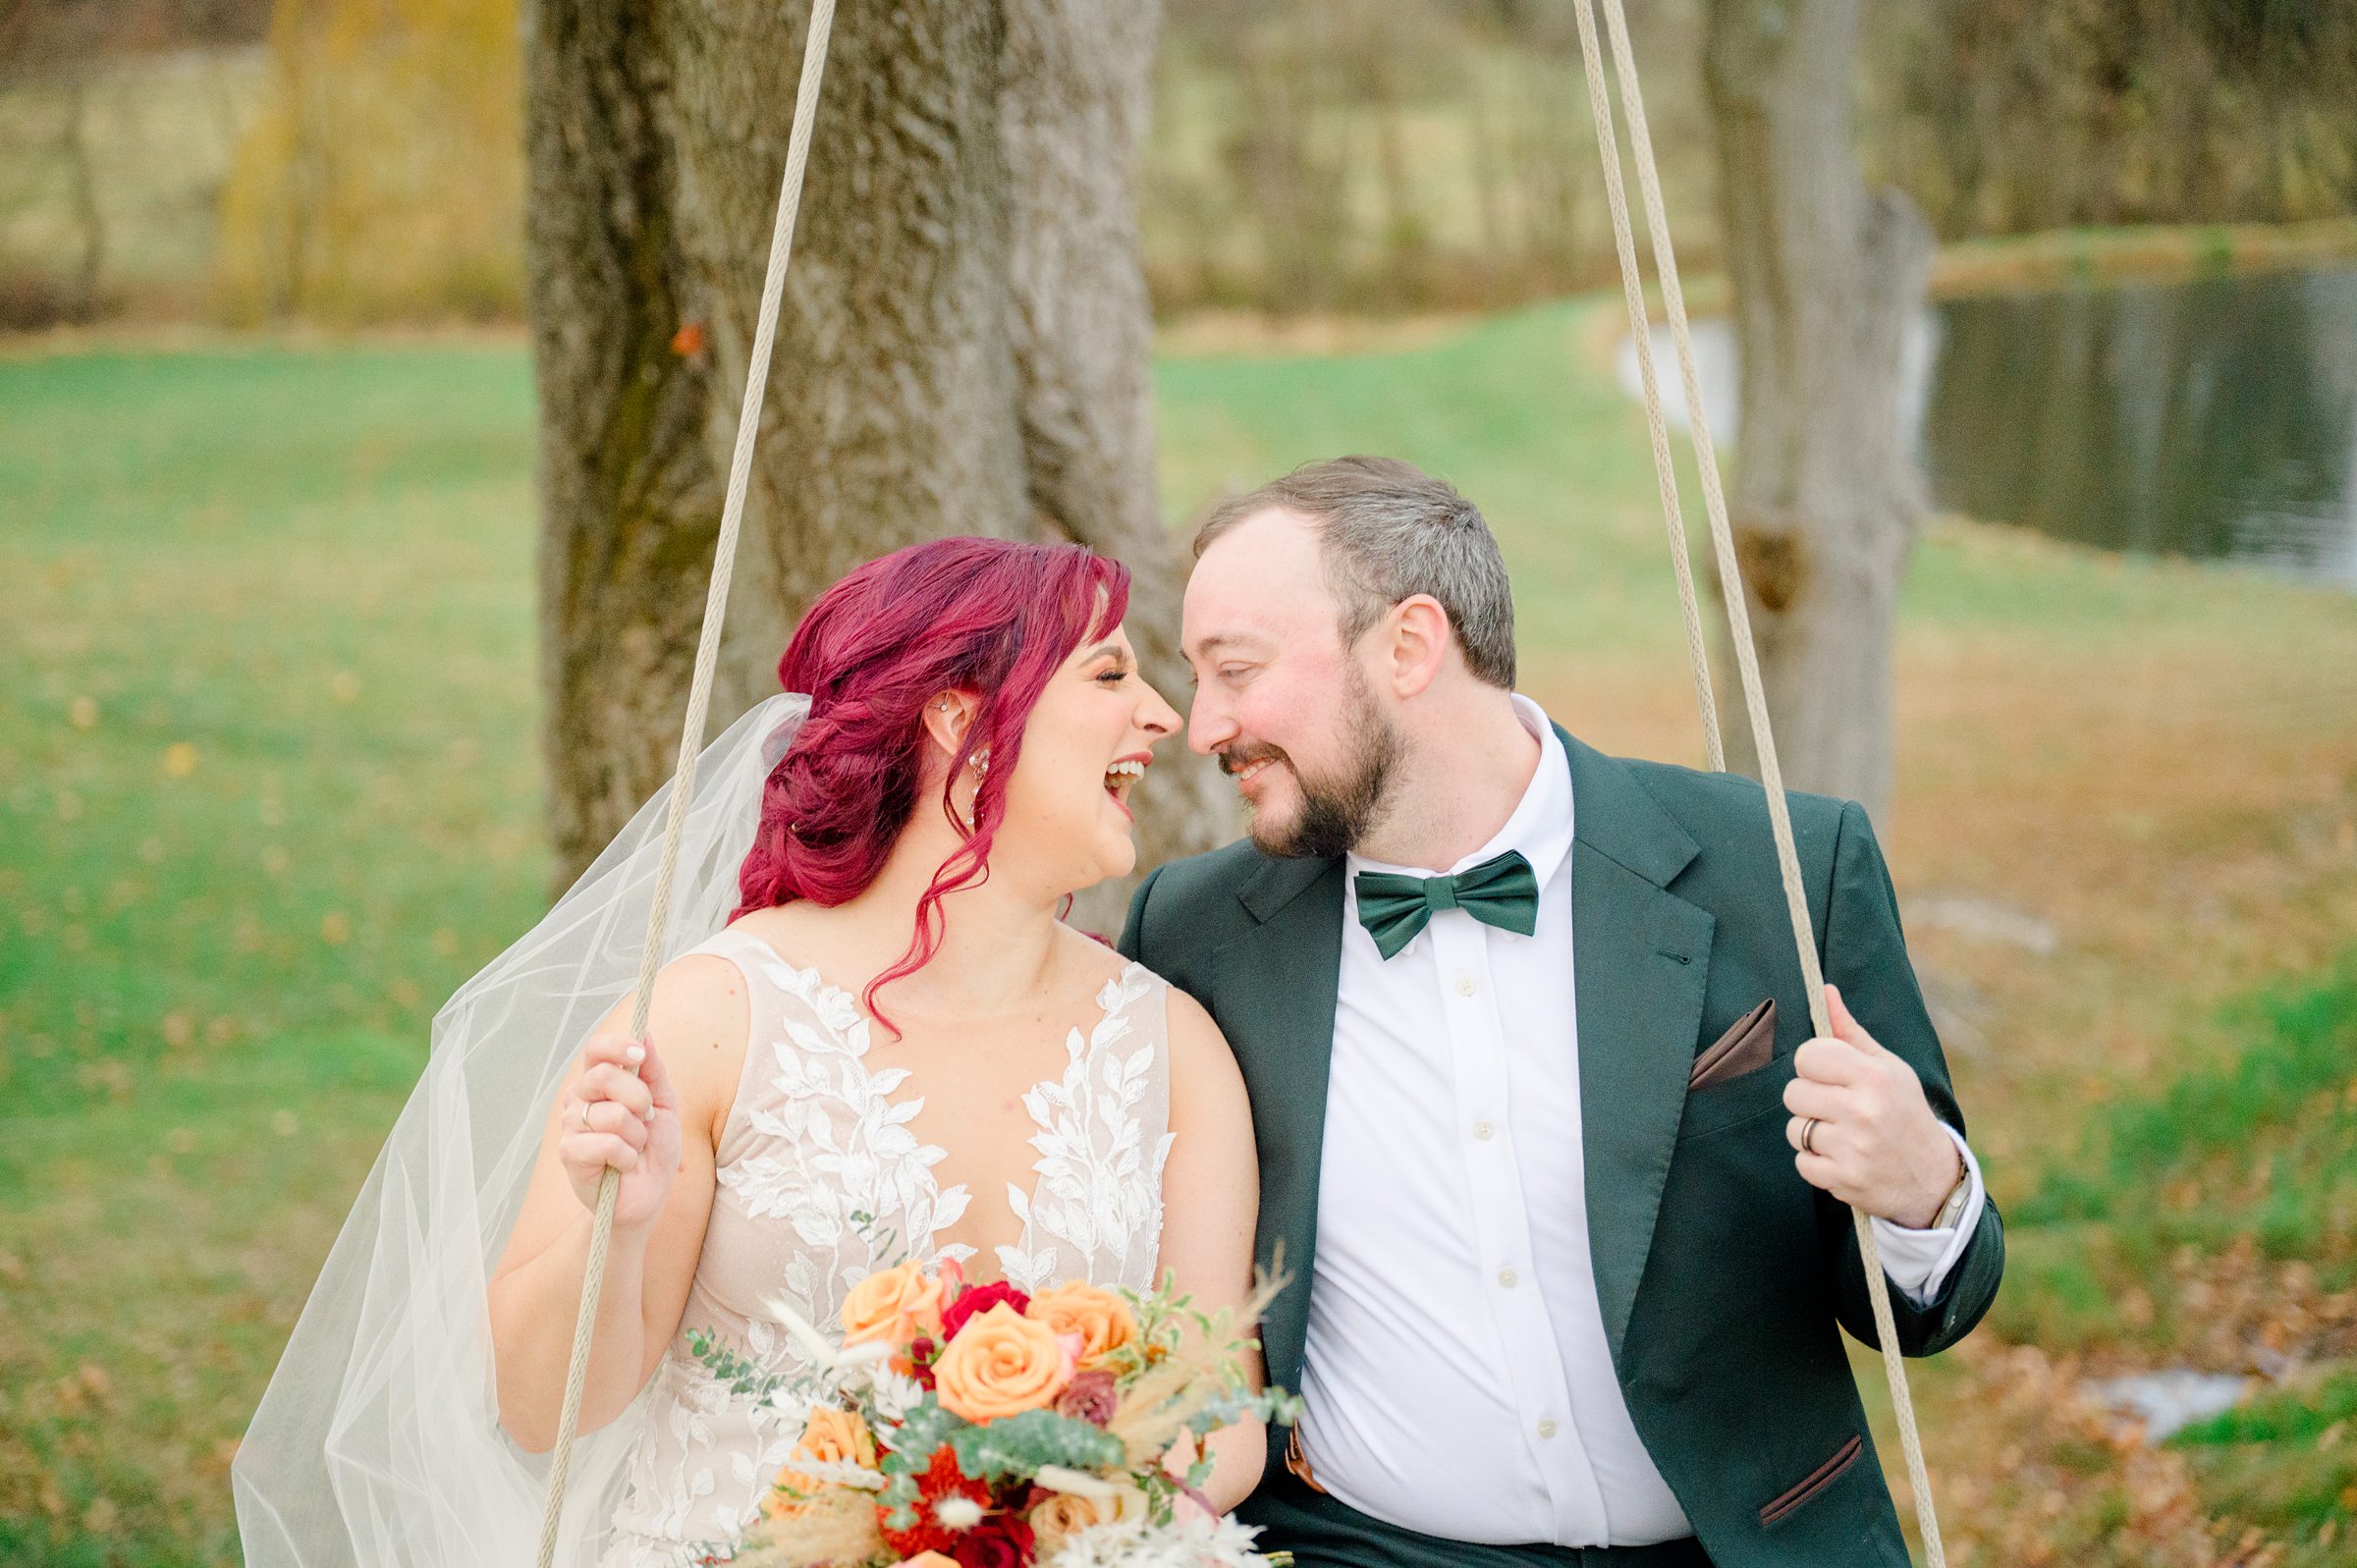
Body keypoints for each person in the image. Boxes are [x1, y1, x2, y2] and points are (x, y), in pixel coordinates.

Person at [234, 537, 1264, 1568]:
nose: (1163, 716)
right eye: (1109, 672)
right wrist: (618, 1229)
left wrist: (1033, 1529)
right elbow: (544, 1410)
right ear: (962, 719)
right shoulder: (710, 1020)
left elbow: (1222, 1423)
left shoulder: (1172, 1047)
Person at [1120, 457, 2004, 1568]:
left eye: (1234, 670)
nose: (1204, 725)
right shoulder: (1195, 935)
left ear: (1407, 647)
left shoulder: (1780, 866)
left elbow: (1923, 1309)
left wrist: (1924, 1188)